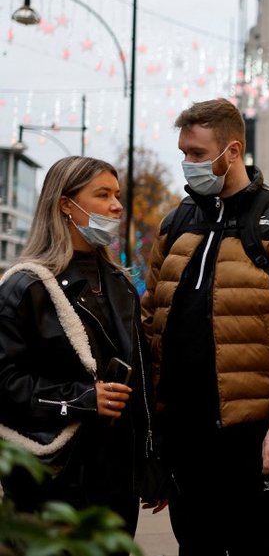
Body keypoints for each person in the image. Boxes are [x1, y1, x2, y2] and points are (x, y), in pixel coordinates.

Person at [141, 98, 269, 555]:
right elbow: (150, 321)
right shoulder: (176, 224)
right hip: (183, 431)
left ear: (232, 151)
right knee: (195, 545)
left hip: (249, 431)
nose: (188, 163)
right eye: (183, 152)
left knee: (250, 545)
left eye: (198, 153)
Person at [0, 156, 162, 545]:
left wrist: (152, 464)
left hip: (116, 478)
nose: (117, 206)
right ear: (64, 204)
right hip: (53, 480)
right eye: (103, 194)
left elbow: (138, 383)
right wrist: (79, 400)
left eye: (118, 195)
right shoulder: (25, 287)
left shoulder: (121, 285)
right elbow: (5, 382)